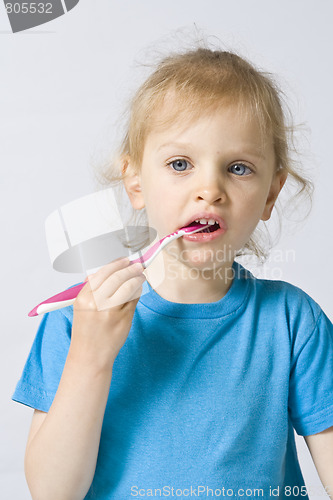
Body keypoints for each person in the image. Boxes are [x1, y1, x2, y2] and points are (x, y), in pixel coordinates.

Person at [13, 45, 333, 500]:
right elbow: (52, 492)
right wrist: (91, 357)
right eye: (180, 164)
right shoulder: (77, 321)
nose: (210, 190)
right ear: (136, 182)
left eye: (238, 168)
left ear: (270, 195)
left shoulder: (292, 321)